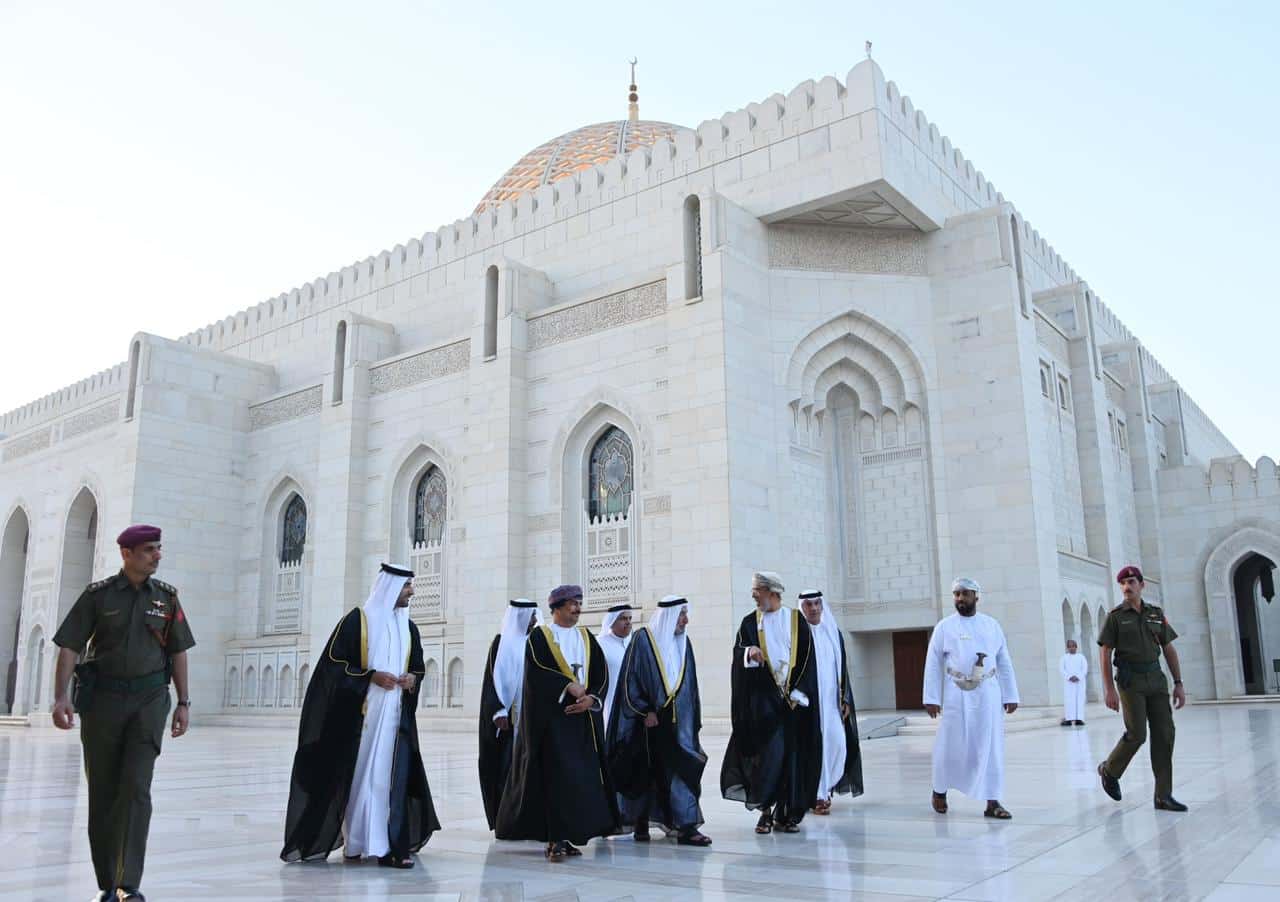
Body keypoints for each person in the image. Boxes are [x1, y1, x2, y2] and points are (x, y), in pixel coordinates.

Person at [50, 524, 196, 902]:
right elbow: (69, 646)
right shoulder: (97, 597)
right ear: (126, 554)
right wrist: (60, 697)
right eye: (149, 549)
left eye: (158, 549)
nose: (157, 555)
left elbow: (178, 650)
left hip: (148, 701)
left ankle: (127, 882)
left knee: (136, 788)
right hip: (103, 704)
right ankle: (107, 881)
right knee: (104, 790)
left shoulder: (167, 598)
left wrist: (183, 702)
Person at [281, 563, 439, 867]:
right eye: (407, 586)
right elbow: (333, 664)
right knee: (360, 779)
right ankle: (356, 843)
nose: (412, 592)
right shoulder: (358, 622)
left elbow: (417, 666)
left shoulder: (409, 627)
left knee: (390, 780)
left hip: (395, 720)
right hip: (360, 719)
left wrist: (411, 680)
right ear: (391, 588)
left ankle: (390, 848)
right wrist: (369, 676)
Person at [495, 585, 618, 861]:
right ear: (557, 607)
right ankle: (555, 839)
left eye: (579, 603)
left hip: (583, 722)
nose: (577, 608)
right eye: (572, 604)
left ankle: (572, 834)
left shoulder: (586, 637)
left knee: (580, 780)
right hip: (553, 723)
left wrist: (592, 699)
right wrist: (566, 686)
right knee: (556, 781)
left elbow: (600, 672)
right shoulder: (541, 637)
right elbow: (538, 673)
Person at [720, 571, 821, 835]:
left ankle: (785, 814)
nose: (753, 595)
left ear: (771, 592)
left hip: (794, 705)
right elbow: (738, 651)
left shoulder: (796, 620)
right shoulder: (749, 623)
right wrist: (749, 652)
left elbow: (808, 658)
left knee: (791, 760)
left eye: (757, 590)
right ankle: (765, 812)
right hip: (764, 706)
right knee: (767, 760)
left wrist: (799, 693)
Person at [607, 595, 712, 846]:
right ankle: (640, 821)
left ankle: (686, 825)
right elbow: (630, 680)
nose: (686, 620)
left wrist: (692, 717)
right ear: (669, 616)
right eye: (682, 614)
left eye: (687, 614)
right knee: (646, 772)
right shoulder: (643, 640)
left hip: (679, 724)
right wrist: (645, 711)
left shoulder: (685, 644)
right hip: (648, 723)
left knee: (682, 771)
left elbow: (690, 685)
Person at [923, 577, 1020, 819]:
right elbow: (933, 663)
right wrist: (931, 696)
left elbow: (1003, 661)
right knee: (950, 745)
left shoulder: (991, 625)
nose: (960, 599)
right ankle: (940, 790)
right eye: (956, 594)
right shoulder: (945, 627)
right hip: (956, 694)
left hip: (987, 693)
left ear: (976, 596)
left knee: (990, 747)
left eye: (965, 594)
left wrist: (1010, 694)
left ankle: (993, 801)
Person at [1096, 565, 1188, 811]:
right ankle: (1109, 769)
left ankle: (1163, 795)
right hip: (1130, 681)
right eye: (1123, 583)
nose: (1127, 586)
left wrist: (1178, 684)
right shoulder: (1115, 617)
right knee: (1137, 734)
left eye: (1132, 582)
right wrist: (1109, 690)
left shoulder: (1155, 614)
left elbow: (1168, 648)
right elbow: (1105, 652)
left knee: (1165, 734)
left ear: (1141, 585)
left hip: (1156, 679)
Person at [797, 590, 863, 815]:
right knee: (813, 749)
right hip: (809, 707)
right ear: (802, 608)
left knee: (837, 745)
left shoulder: (832, 633)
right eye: (808, 605)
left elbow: (842, 669)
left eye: (817, 603)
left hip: (832, 705)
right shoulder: (798, 637)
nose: (814, 608)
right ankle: (818, 794)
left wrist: (845, 699)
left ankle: (824, 789)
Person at [478, 598, 538, 830]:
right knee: (507, 768)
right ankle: (506, 819)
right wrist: (498, 711)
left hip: (532, 716)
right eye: (531, 616)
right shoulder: (501, 643)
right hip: (509, 721)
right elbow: (491, 681)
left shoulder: (536, 643)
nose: (534, 620)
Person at [598, 603, 636, 730]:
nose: (628, 622)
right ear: (612, 621)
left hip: (634, 704)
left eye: (630, 618)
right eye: (623, 619)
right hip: (610, 701)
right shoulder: (600, 644)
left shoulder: (635, 643)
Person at [1060, 639, 1088, 726]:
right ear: (1067, 648)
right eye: (1070, 647)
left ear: (1076, 647)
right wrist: (1069, 677)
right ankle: (1068, 719)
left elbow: (1085, 668)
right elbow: (1061, 669)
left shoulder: (1081, 657)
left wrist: (1078, 677)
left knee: (1079, 700)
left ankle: (1079, 719)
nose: (1072, 648)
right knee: (1069, 701)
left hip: (1080, 683)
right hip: (1069, 684)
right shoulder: (1064, 658)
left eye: (1073, 646)